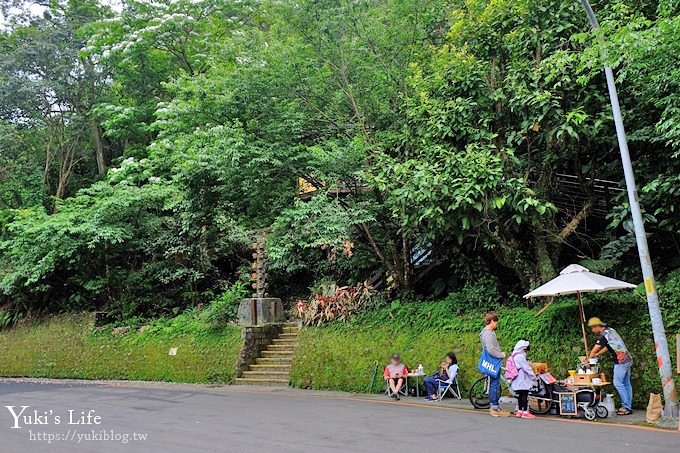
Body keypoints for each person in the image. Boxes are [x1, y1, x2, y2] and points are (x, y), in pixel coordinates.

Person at [587, 317, 634, 415]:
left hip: (621, 361)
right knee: (626, 383)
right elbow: (609, 346)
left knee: (618, 383)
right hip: (627, 359)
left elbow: (594, 349)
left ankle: (626, 407)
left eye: (592, 328)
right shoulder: (611, 331)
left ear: (597, 326)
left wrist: (588, 360)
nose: (592, 330)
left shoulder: (603, 335)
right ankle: (628, 406)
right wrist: (598, 354)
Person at [480, 311, 511, 416]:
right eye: (496, 321)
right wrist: (501, 355)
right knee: (495, 384)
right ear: (492, 321)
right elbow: (490, 349)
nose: (497, 324)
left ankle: (495, 407)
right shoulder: (488, 333)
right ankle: (494, 408)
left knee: (494, 383)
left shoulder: (484, 332)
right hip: (493, 361)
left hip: (491, 361)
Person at [508, 340, 537, 419]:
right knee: (525, 394)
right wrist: (533, 376)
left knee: (520, 395)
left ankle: (520, 411)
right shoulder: (520, 356)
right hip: (522, 377)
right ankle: (525, 412)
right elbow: (526, 368)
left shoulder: (514, 355)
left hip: (517, 377)